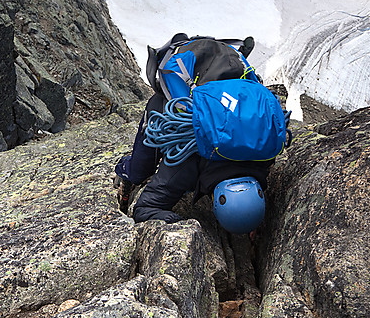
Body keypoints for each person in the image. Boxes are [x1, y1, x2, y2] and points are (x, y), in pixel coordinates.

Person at [114, 34, 280, 235]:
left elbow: (147, 207)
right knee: (143, 161)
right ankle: (128, 172)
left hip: (225, 97)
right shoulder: (187, 166)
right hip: (194, 95)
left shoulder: (266, 153)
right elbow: (146, 208)